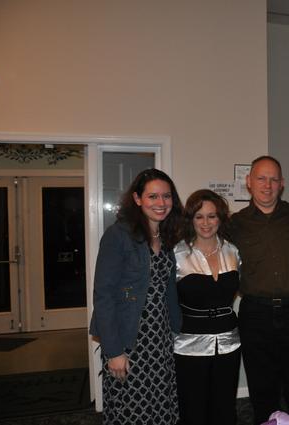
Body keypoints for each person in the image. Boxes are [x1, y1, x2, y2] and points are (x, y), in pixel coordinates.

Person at [226, 155, 289, 425]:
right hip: (256, 314)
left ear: (282, 183)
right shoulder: (235, 224)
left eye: (274, 179)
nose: (267, 185)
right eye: (261, 178)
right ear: (249, 182)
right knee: (262, 390)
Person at [89, 168, 183, 425]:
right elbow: (103, 295)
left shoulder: (167, 236)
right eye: (153, 196)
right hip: (129, 340)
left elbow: (167, 289)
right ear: (137, 199)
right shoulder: (118, 235)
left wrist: (176, 329)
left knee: (161, 407)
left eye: (166, 196)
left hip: (160, 339)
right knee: (133, 410)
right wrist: (114, 351)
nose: (161, 203)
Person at [173, 189, 241, 425]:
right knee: (193, 408)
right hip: (189, 345)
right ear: (190, 219)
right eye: (199, 216)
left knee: (224, 406)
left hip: (229, 343)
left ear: (220, 218)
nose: (205, 223)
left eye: (211, 216)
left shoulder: (233, 251)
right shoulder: (176, 254)